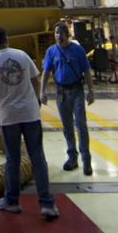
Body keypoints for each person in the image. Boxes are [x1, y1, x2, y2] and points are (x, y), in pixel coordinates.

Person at [0, 28, 58, 219]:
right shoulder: (22, 56)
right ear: (7, 39)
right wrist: (35, 101)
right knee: (38, 158)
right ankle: (47, 204)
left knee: (12, 160)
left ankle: (12, 201)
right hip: (31, 114)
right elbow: (35, 80)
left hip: (9, 117)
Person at [40, 21, 94, 176]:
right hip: (61, 92)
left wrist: (91, 91)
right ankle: (72, 158)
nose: (58, 36)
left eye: (61, 33)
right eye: (56, 33)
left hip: (76, 91)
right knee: (67, 126)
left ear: (66, 34)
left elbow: (87, 71)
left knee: (81, 125)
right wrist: (41, 92)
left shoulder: (77, 50)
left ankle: (86, 159)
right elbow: (46, 73)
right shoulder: (51, 51)